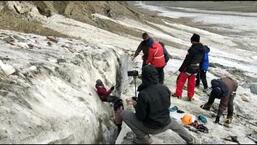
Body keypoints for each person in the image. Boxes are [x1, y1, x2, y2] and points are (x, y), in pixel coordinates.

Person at [121, 65, 195, 144]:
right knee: (175, 124)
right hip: (166, 122)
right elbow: (167, 105)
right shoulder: (164, 88)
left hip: (151, 127)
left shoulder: (143, 94)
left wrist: (136, 105)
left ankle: (143, 138)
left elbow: (140, 117)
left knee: (124, 114)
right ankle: (190, 139)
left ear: (144, 77)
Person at [173, 33, 205, 101]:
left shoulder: (193, 48)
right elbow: (202, 60)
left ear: (193, 40)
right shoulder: (202, 49)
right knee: (191, 83)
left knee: (181, 81)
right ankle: (190, 96)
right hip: (196, 68)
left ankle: (178, 94)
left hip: (189, 68)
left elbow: (187, 60)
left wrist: (182, 68)